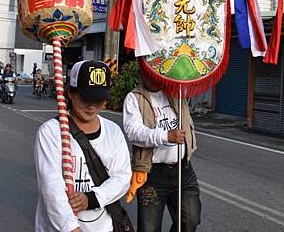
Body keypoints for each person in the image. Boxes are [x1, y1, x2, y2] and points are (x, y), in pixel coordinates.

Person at [34, 60, 131, 232]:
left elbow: (122, 177)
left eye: (99, 99)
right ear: (70, 92)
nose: (92, 106)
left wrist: (92, 198)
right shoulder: (51, 132)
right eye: (85, 98)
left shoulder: (113, 131)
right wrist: (71, 228)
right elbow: (52, 187)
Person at [123, 71, 200, 232]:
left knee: (190, 220)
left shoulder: (176, 91)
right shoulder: (134, 98)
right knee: (149, 228)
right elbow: (134, 132)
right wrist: (166, 136)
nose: (153, 77)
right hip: (152, 173)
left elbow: (192, 77)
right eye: (148, 73)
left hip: (183, 169)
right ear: (141, 73)